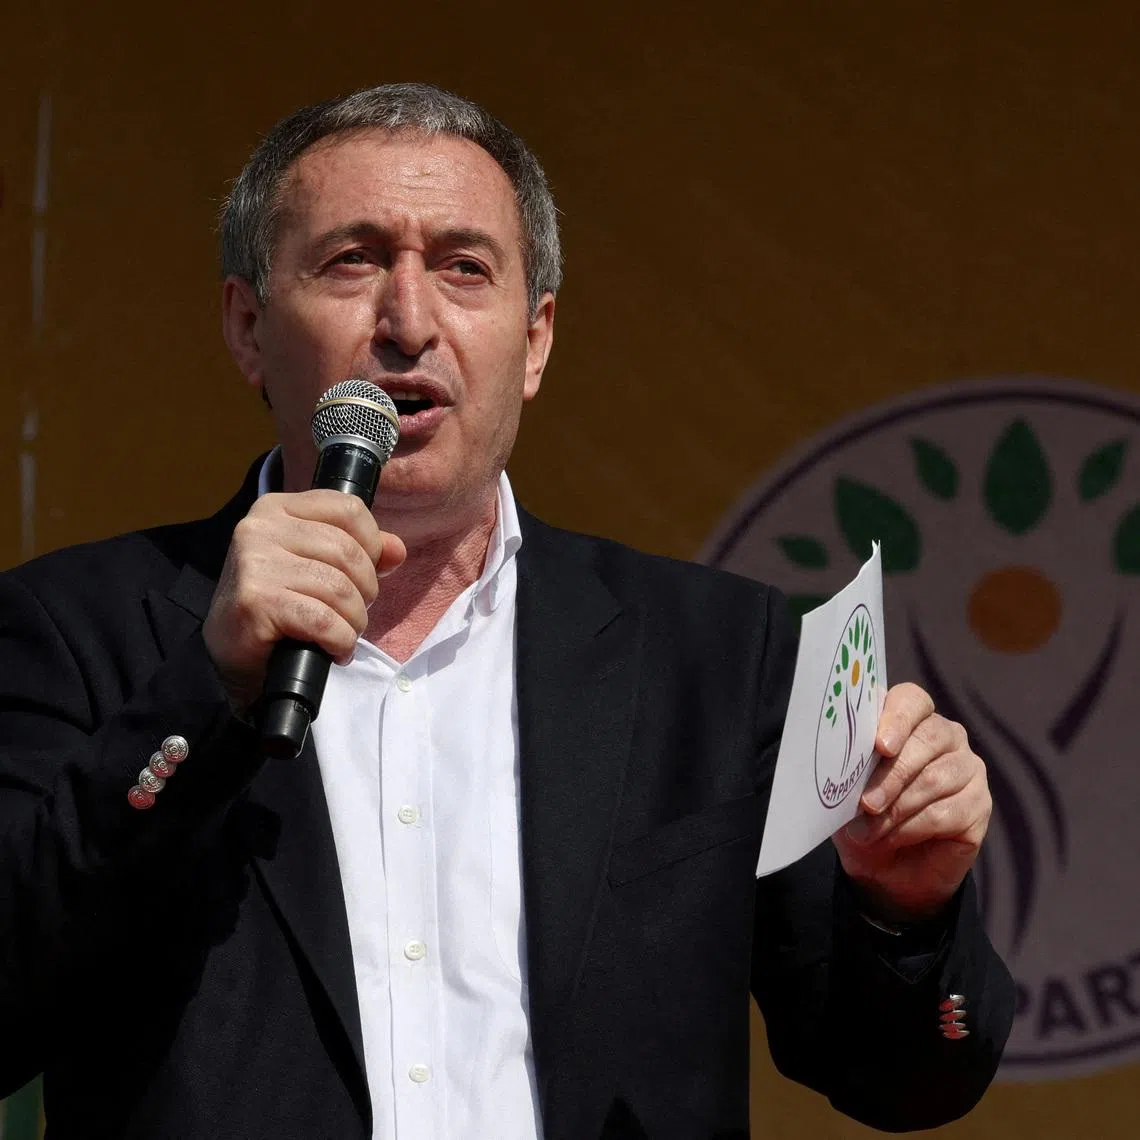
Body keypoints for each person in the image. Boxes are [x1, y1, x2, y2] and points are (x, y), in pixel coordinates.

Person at [0, 83, 1014, 1139]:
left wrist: (905, 911)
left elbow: (903, 1080)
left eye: (462, 267)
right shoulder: (77, 635)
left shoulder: (722, 659)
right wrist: (204, 694)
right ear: (248, 327)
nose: (408, 321)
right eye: (352, 261)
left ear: (534, 343)